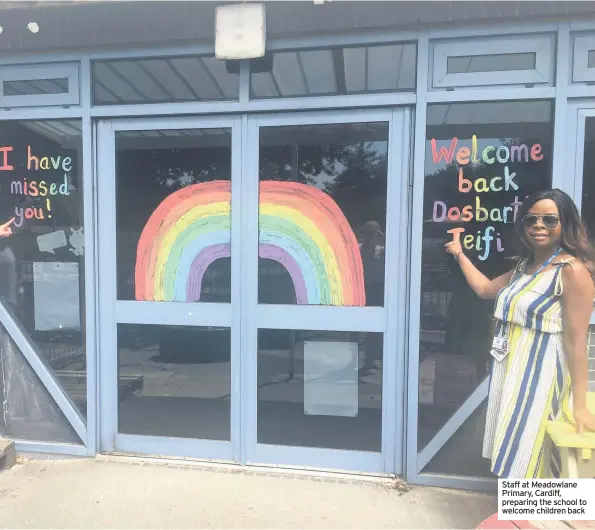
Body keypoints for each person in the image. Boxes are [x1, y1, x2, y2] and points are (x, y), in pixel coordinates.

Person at [445, 189, 595, 478]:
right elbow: (485, 289)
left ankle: (534, 518)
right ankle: (521, 517)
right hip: (511, 369)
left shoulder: (572, 271)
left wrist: (579, 405)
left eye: (550, 220)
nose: (539, 225)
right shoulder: (524, 268)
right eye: (532, 219)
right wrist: (459, 253)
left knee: (534, 447)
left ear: (566, 224)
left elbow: (577, 342)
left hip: (542, 375)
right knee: (515, 444)